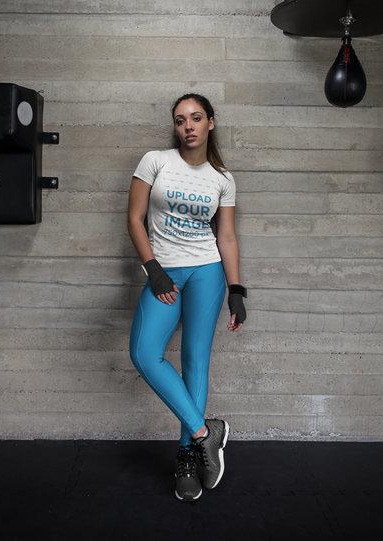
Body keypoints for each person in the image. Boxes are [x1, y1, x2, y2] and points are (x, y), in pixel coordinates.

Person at [127, 93, 247, 501]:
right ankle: (203, 434)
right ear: (175, 127)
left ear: (210, 123)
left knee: (196, 359)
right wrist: (153, 269)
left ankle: (187, 459)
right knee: (145, 353)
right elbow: (134, 218)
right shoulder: (155, 161)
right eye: (180, 120)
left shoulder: (223, 178)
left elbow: (226, 236)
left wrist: (236, 290)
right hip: (166, 271)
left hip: (208, 272)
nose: (188, 126)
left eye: (196, 118)